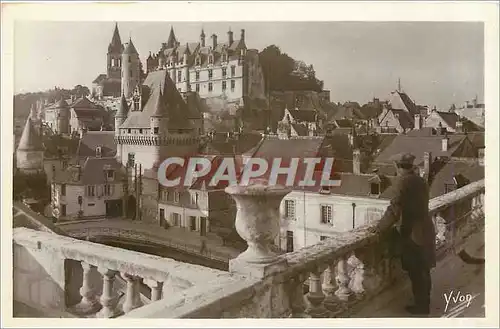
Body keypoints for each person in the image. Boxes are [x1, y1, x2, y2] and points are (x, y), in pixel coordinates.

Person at [383, 152, 437, 316]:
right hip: (427, 229)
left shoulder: (401, 182)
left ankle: (421, 307)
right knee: (424, 270)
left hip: (413, 234)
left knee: (416, 271)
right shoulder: (421, 180)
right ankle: (424, 303)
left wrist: (379, 228)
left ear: (397, 166)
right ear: (411, 165)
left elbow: (394, 210)